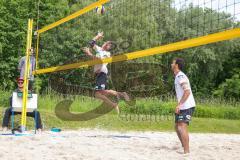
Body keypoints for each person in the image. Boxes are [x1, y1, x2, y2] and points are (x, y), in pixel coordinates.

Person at [82, 32, 130, 114]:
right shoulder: (99, 49)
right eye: (105, 42)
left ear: (109, 48)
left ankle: (118, 99)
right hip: (98, 73)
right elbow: (91, 43)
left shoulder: (107, 54)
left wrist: (89, 53)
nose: (105, 44)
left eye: (107, 44)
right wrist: (98, 36)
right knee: (100, 93)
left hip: (102, 73)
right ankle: (116, 102)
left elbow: (98, 60)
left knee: (98, 93)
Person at [171, 58, 196, 154]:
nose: (171, 64)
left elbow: (187, 91)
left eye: (173, 62)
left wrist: (179, 105)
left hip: (187, 106)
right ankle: (184, 146)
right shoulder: (177, 76)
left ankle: (187, 151)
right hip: (183, 106)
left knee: (182, 126)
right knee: (177, 127)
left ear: (176, 65)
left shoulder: (181, 76)